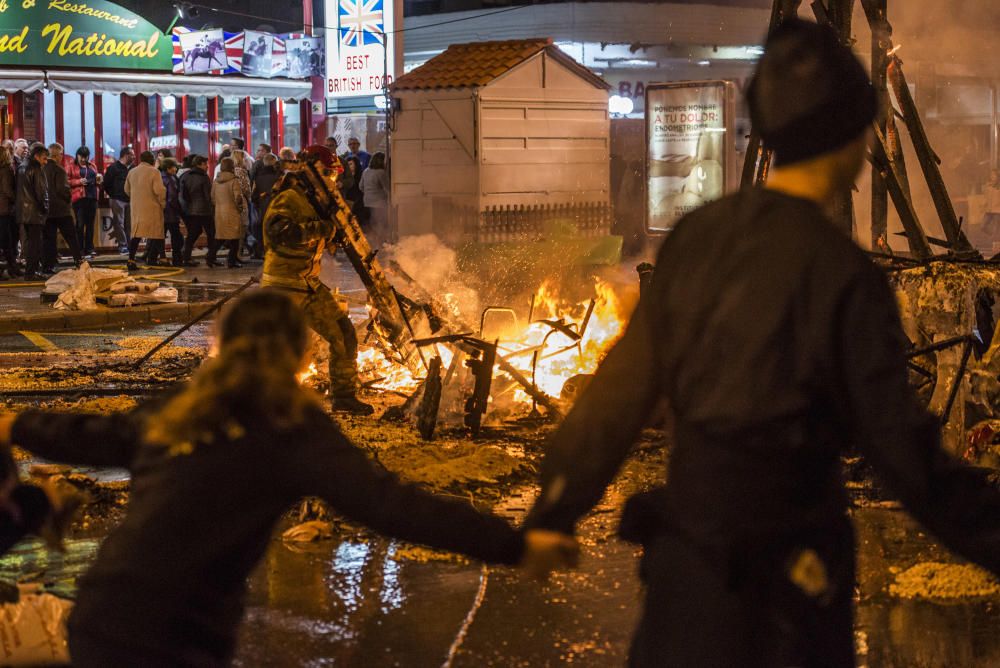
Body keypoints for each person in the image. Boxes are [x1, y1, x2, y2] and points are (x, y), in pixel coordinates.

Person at [523, 19, 1000, 667]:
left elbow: (618, 394)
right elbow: (907, 459)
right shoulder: (844, 275)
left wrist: (554, 511)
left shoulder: (696, 241)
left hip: (684, 589)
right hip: (788, 603)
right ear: (852, 138)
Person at [0, 289, 576, 666]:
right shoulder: (291, 429)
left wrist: (17, 422)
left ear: (220, 345)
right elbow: (391, 506)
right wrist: (515, 545)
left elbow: (90, 436)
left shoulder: (182, 408)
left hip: (100, 617)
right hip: (176, 637)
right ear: (302, 356)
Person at [262, 145, 373, 414]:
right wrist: (323, 229)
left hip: (307, 283)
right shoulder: (289, 197)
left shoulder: (313, 200)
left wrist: (334, 233)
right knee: (278, 349)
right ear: (317, 172)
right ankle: (266, 401)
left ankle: (344, 397)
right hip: (283, 285)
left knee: (344, 333)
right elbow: (277, 232)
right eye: (330, 175)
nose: (333, 182)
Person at [41, 143, 82, 272]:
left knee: (49, 239)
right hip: (61, 210)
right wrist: (68, 199)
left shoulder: (42, 169)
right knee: (71, 237)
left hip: (47, 210)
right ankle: (78, 261)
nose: (62, 156)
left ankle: (48, 265)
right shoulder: (59, 170)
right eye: (61, 154)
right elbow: (63, 189)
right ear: (57, 155)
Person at [124, 151, 167, 270]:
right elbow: (159, 191)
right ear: (152, 160)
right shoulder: (154, 172)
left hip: (137, 208)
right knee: (157, 233)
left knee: (136, 235)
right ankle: (163, 258)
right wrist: (163, 204)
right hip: (152, 207)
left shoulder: (132, 172)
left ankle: (131, 259)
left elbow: (126, 190)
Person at [16, 144, 49, 280]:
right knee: (35, 244)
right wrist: (45, 208)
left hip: (23, 212)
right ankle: (31, 272)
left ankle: (30, 271)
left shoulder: (22, 166)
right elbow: (41, 192)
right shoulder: (36, 168)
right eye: (44, 158)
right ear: (37, 156)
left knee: (29, 243)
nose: (45, 162)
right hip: (35, 212)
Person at [180, 155, 215, 267]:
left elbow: (183, 194)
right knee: (211, 234)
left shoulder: (186, 176)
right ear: (199, 164)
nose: (207, 166)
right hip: (204, 210)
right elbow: (208, 196)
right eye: (205, 164)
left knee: (193, 234)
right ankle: (210, 258)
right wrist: (212, 208)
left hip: (191, 210)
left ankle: (186, 256)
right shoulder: (204, 177)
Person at [209, 157, 244, 269]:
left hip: (219, 212)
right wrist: (240, 208)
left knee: (220, 237)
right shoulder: (234, 181)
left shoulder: (216, 181)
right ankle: (231, 261)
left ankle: (210, 257)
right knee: (234, 238)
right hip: (232, 212)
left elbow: (212, 197)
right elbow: (238, 197)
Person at [68, 147, 100, 259]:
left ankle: (89, 249)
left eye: (85, 156)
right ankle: (79, 249)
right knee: (80, 225)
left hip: (92, 197)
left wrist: (99, 179)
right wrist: (78, 181)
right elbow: (66, 181)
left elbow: (96, 180)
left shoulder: (92, 166)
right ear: (77, 155)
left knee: (90, 225)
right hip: (79, 198)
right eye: (81, 156)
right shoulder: (72, 166)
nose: (83, 159)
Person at [104, 146, 134, 254]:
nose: (134, 157)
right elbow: (106, 184)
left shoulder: (132, 168)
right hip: (117, 199)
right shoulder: (113, 168)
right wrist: (114, 195)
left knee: (129, 225)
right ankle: (123, 246)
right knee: (119, 224)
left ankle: (130, 246)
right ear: (126, 155)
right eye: (132, 154)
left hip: (130, 200)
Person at [250, 152, 280, 259]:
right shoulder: (278, 177)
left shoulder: (258, 178)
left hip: (263, 208)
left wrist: (260, 202)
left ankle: (263, 251)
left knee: (264, 231)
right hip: (277, 207)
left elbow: (254, 196)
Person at [360, 151, 390, 247]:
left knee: (372, 224)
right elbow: (388, 188)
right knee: (381, 224)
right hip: (379, 203)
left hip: (367, 202)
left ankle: (371, 244)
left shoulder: (366, 171)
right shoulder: (381, 173)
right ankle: (380, 244)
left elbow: (361, 186)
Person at [159, 158, 185, 267]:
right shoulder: (171, 179)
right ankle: (177, 260)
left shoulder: (159, 177)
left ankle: (159, 258)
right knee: (176, 237)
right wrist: (179, 211)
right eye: (174, 167)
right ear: (169, 168)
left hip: (161, 212)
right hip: (171, 213)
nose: (176, 168)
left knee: (160, 237)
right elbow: (172, 197)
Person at [0, 145, 18, 279]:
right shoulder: (6, 170)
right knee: (7, 240)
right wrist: (16, 198)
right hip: (4, 209)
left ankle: (11, 267)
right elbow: (7, 189)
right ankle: (12, 267)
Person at [343, 155, 367, 227]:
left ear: (356, 165)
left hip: (359, 205)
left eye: (350, 164)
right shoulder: (346, 178)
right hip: (348, 204)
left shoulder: (360, 177)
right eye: (347, 164)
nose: (349, 166)